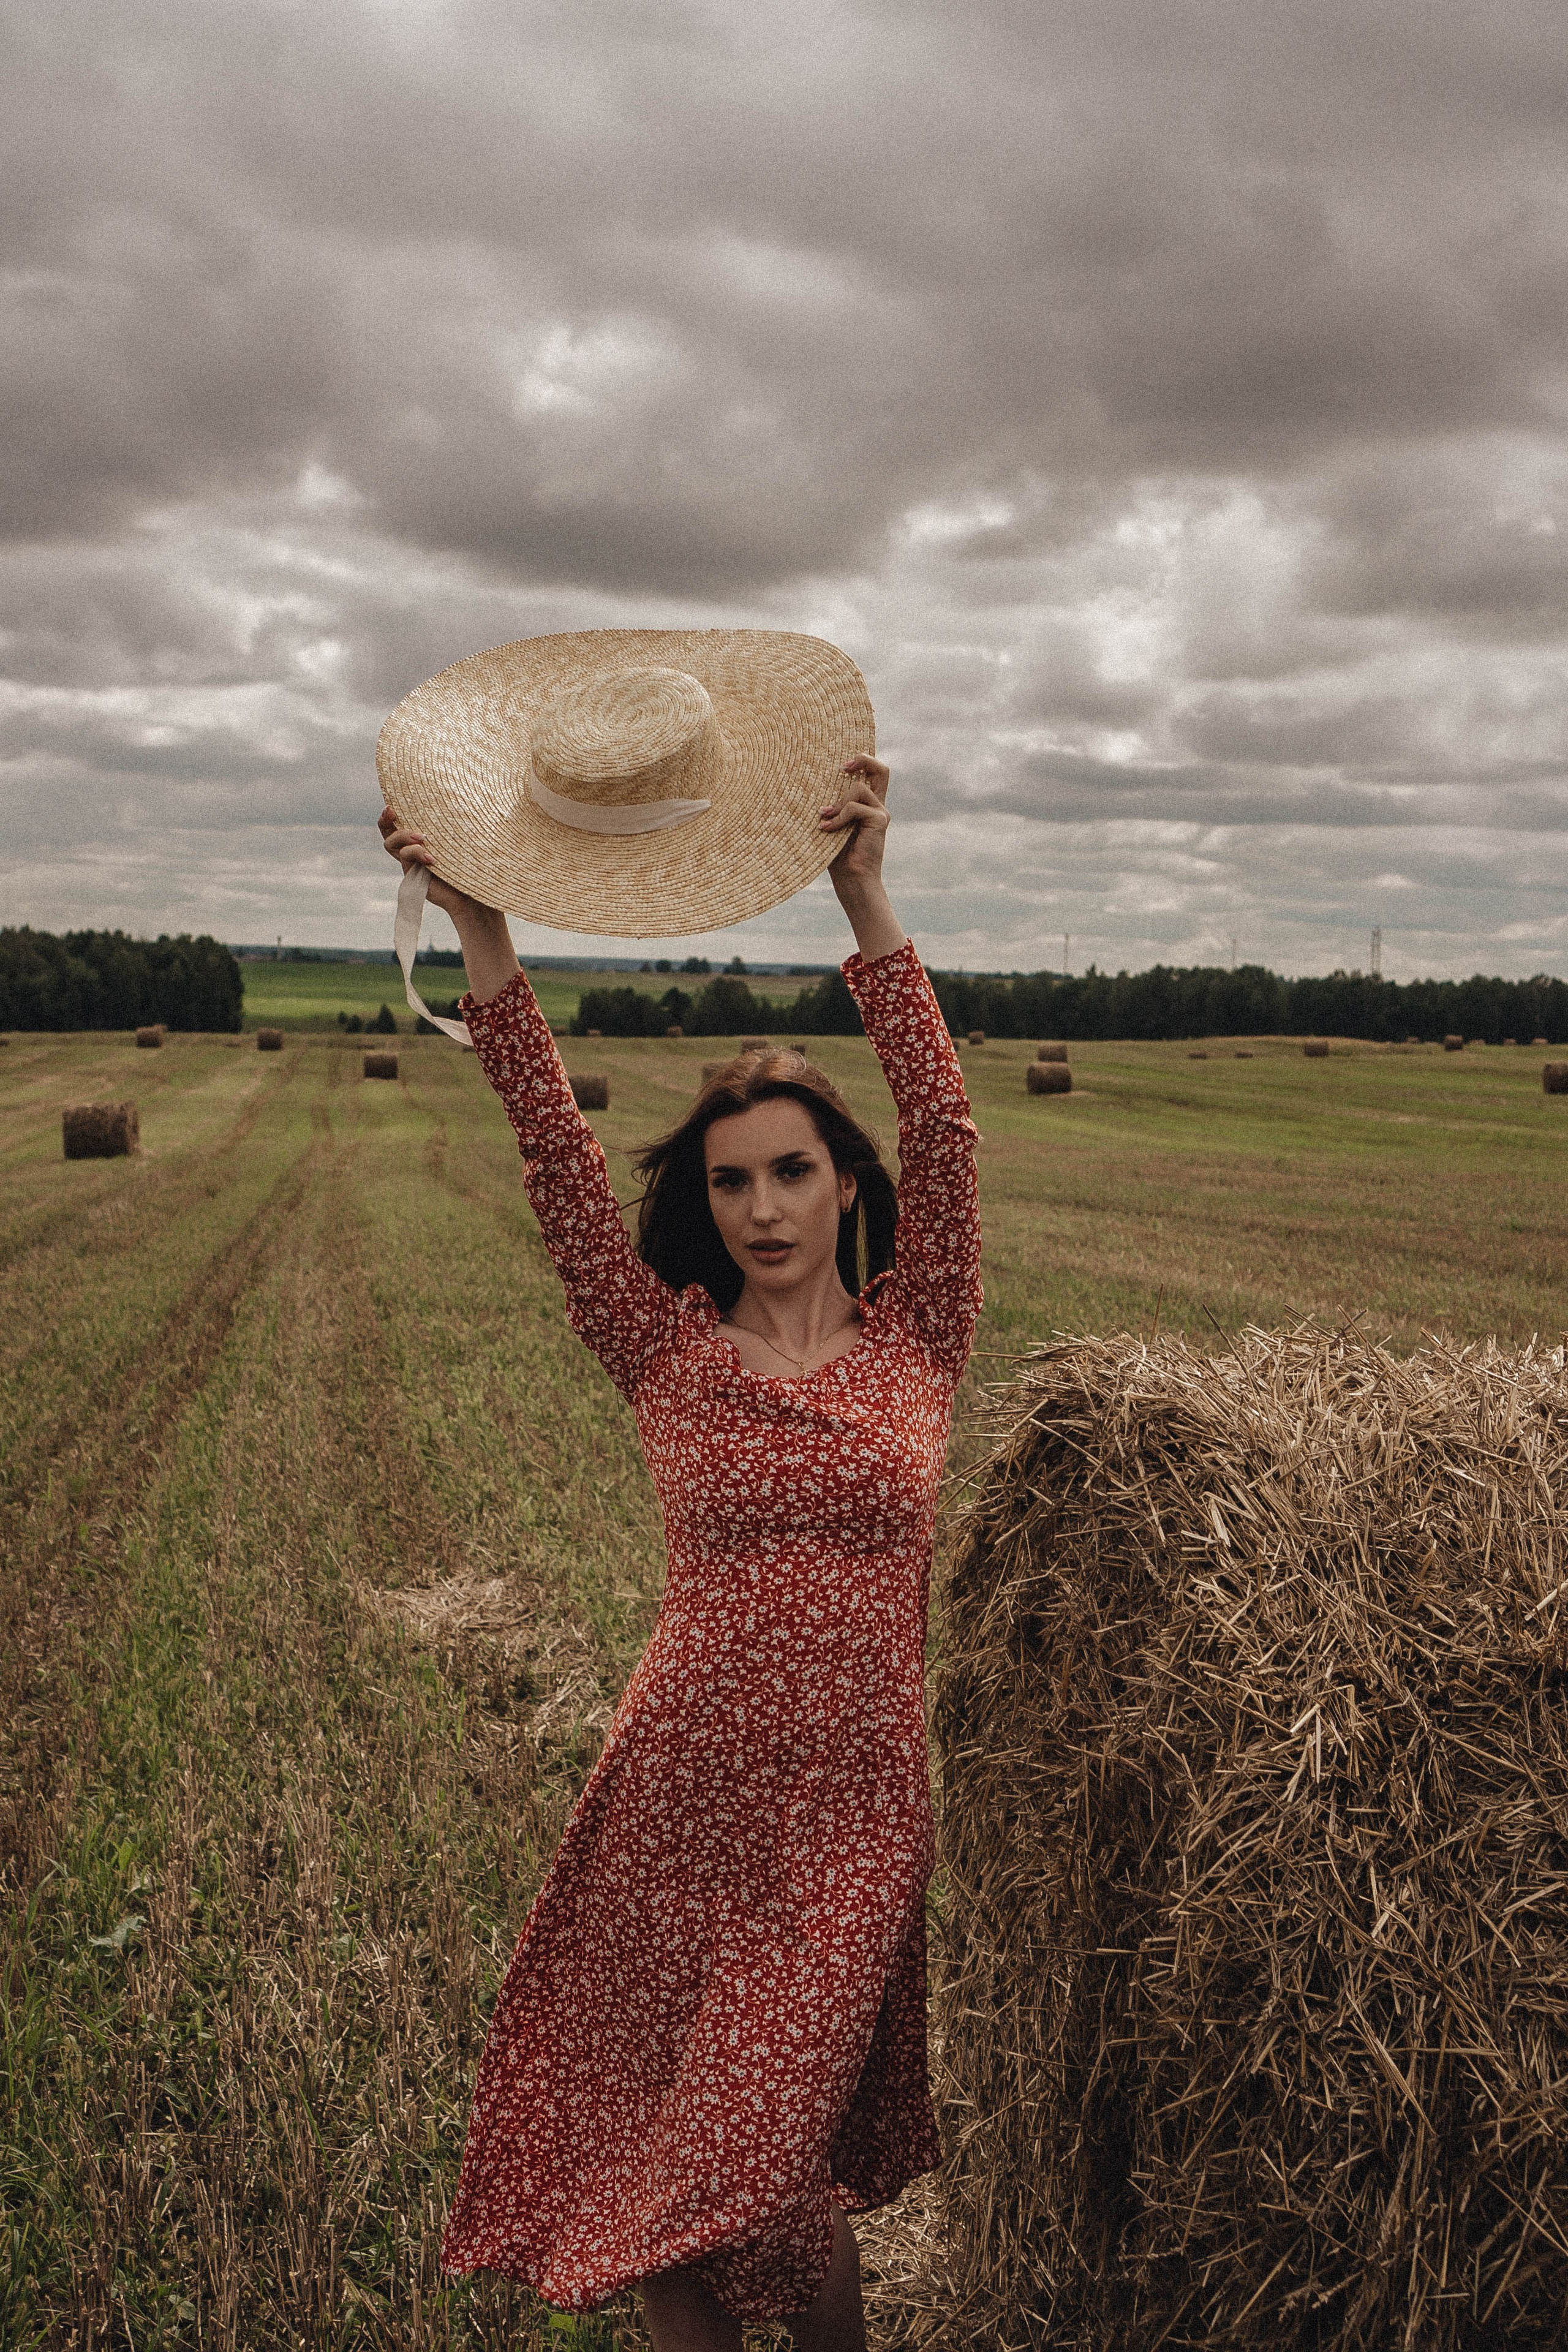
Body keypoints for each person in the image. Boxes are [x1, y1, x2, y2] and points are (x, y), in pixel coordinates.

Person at [379, 751, 982, 2351]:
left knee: (751, 2154)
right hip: (678, 1793)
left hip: (853, 1814)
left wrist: (863, 896)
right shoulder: (670, 1356)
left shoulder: (920, 1339)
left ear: (847, 1181)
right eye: (732, 1181)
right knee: (681, 2197)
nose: (763, 1205)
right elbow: (558, 1162)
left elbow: (952, 1123)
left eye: (793, 1170)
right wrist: (484, 931)